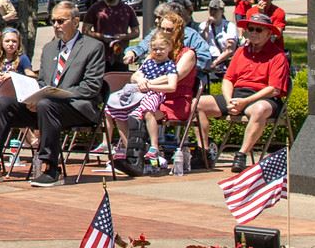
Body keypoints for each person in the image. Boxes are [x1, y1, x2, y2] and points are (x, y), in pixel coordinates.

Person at [0, 0, 107, 187]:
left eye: (61, 21)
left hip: (77, 107)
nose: (56, 26)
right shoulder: (50, 48)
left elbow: (91, 87)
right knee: (3, 103)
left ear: (76, 21)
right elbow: (43, 81)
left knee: (46, 104)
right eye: (53, 21)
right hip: (46, 107)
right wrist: (32, 96)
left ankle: (51, 168)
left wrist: (50, 96)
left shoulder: (93, 47)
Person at [197, 11, 293, 169]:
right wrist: (229, 101)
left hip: (263, 98)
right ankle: (204, 152)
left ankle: (241, 155)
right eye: (251, 28)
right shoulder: (241, 51)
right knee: (197, 104)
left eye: (258, 30)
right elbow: (228, 79)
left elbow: (274, 89)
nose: (253, 33)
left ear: (269, 33)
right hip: (237, 95)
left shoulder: (278, 56)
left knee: (260, 109)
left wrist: (245, 102)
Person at [109, 12, 197, 177]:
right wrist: (140, 79)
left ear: (179, 31)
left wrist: (147, 84)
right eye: (161, 28)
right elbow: (136, 74)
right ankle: (134, 154)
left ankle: (139, 158)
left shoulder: (188, 54)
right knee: (119, 111)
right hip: (151, 97)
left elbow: (173, 78)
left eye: (169, 29)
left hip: (173, 101)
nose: (164, 32)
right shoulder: (157, 50)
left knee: (142, 112)